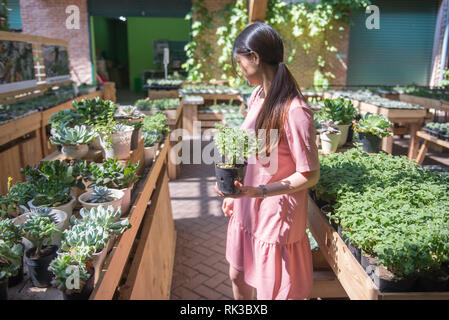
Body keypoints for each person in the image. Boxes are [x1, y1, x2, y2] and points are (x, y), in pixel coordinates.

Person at [215, 22, 320, 300]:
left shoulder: (296, 110)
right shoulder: (258, 95)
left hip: (277, 210)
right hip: (249, 203)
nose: (239, 69)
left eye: (240, 62)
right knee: (237, 274)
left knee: (273, 290)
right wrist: (234, 190)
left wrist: (260, 191)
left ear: (255, 57)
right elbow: (249, 145)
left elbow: (309, 175)